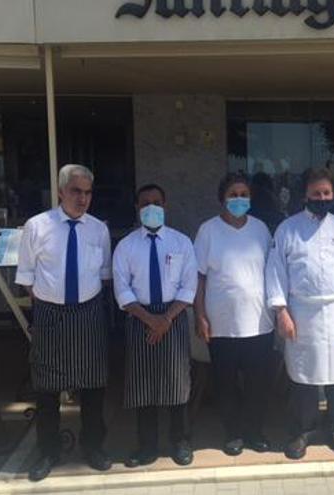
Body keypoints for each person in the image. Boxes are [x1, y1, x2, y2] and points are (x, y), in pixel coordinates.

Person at [16, 164, 112, 481]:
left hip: (88, 314)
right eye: (76, 191)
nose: (82, 198)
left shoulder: (99, 229)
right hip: (50, 316)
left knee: (93, 387)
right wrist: (48, 301)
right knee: (46, 390)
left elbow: (103, 275)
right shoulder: (36, 226)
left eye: (87, 192)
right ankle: (48, 452)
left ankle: (93, 447)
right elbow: (27, 276)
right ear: (60, 191)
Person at [266, 167, 334, 460]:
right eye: (316, 194)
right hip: (301, 311)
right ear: (305, 196)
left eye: (326, 193)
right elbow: (275, 273)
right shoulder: (287, 229)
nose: (322, 198)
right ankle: (302, 430)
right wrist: (281, 311)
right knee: (302, 375)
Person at [112, 184, 198, 468]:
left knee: (177, 382)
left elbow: (189, 286)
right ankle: (147, 445)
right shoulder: (126, 246)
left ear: (165, 204)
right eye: (145, 203)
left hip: (173, 316)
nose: (151, 207)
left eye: (157, 202)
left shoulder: (181, 242)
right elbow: (122, 290)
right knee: (143, 385)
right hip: (140, 318)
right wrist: (151, 320)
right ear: (137, 209)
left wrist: (166, 319)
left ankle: (180, 441)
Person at [194, 173, 274, 456]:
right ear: (222, 198)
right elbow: (199, 278)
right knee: (225, 385)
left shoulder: (261, 229)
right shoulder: (208, 231)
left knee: (257, 384)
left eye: (243, 194)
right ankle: (233, 433)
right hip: (222, 324)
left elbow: (272, 272)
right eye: (233, 194)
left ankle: (254, 432)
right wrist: (200, 316)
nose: (239, 199)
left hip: (260, 323)